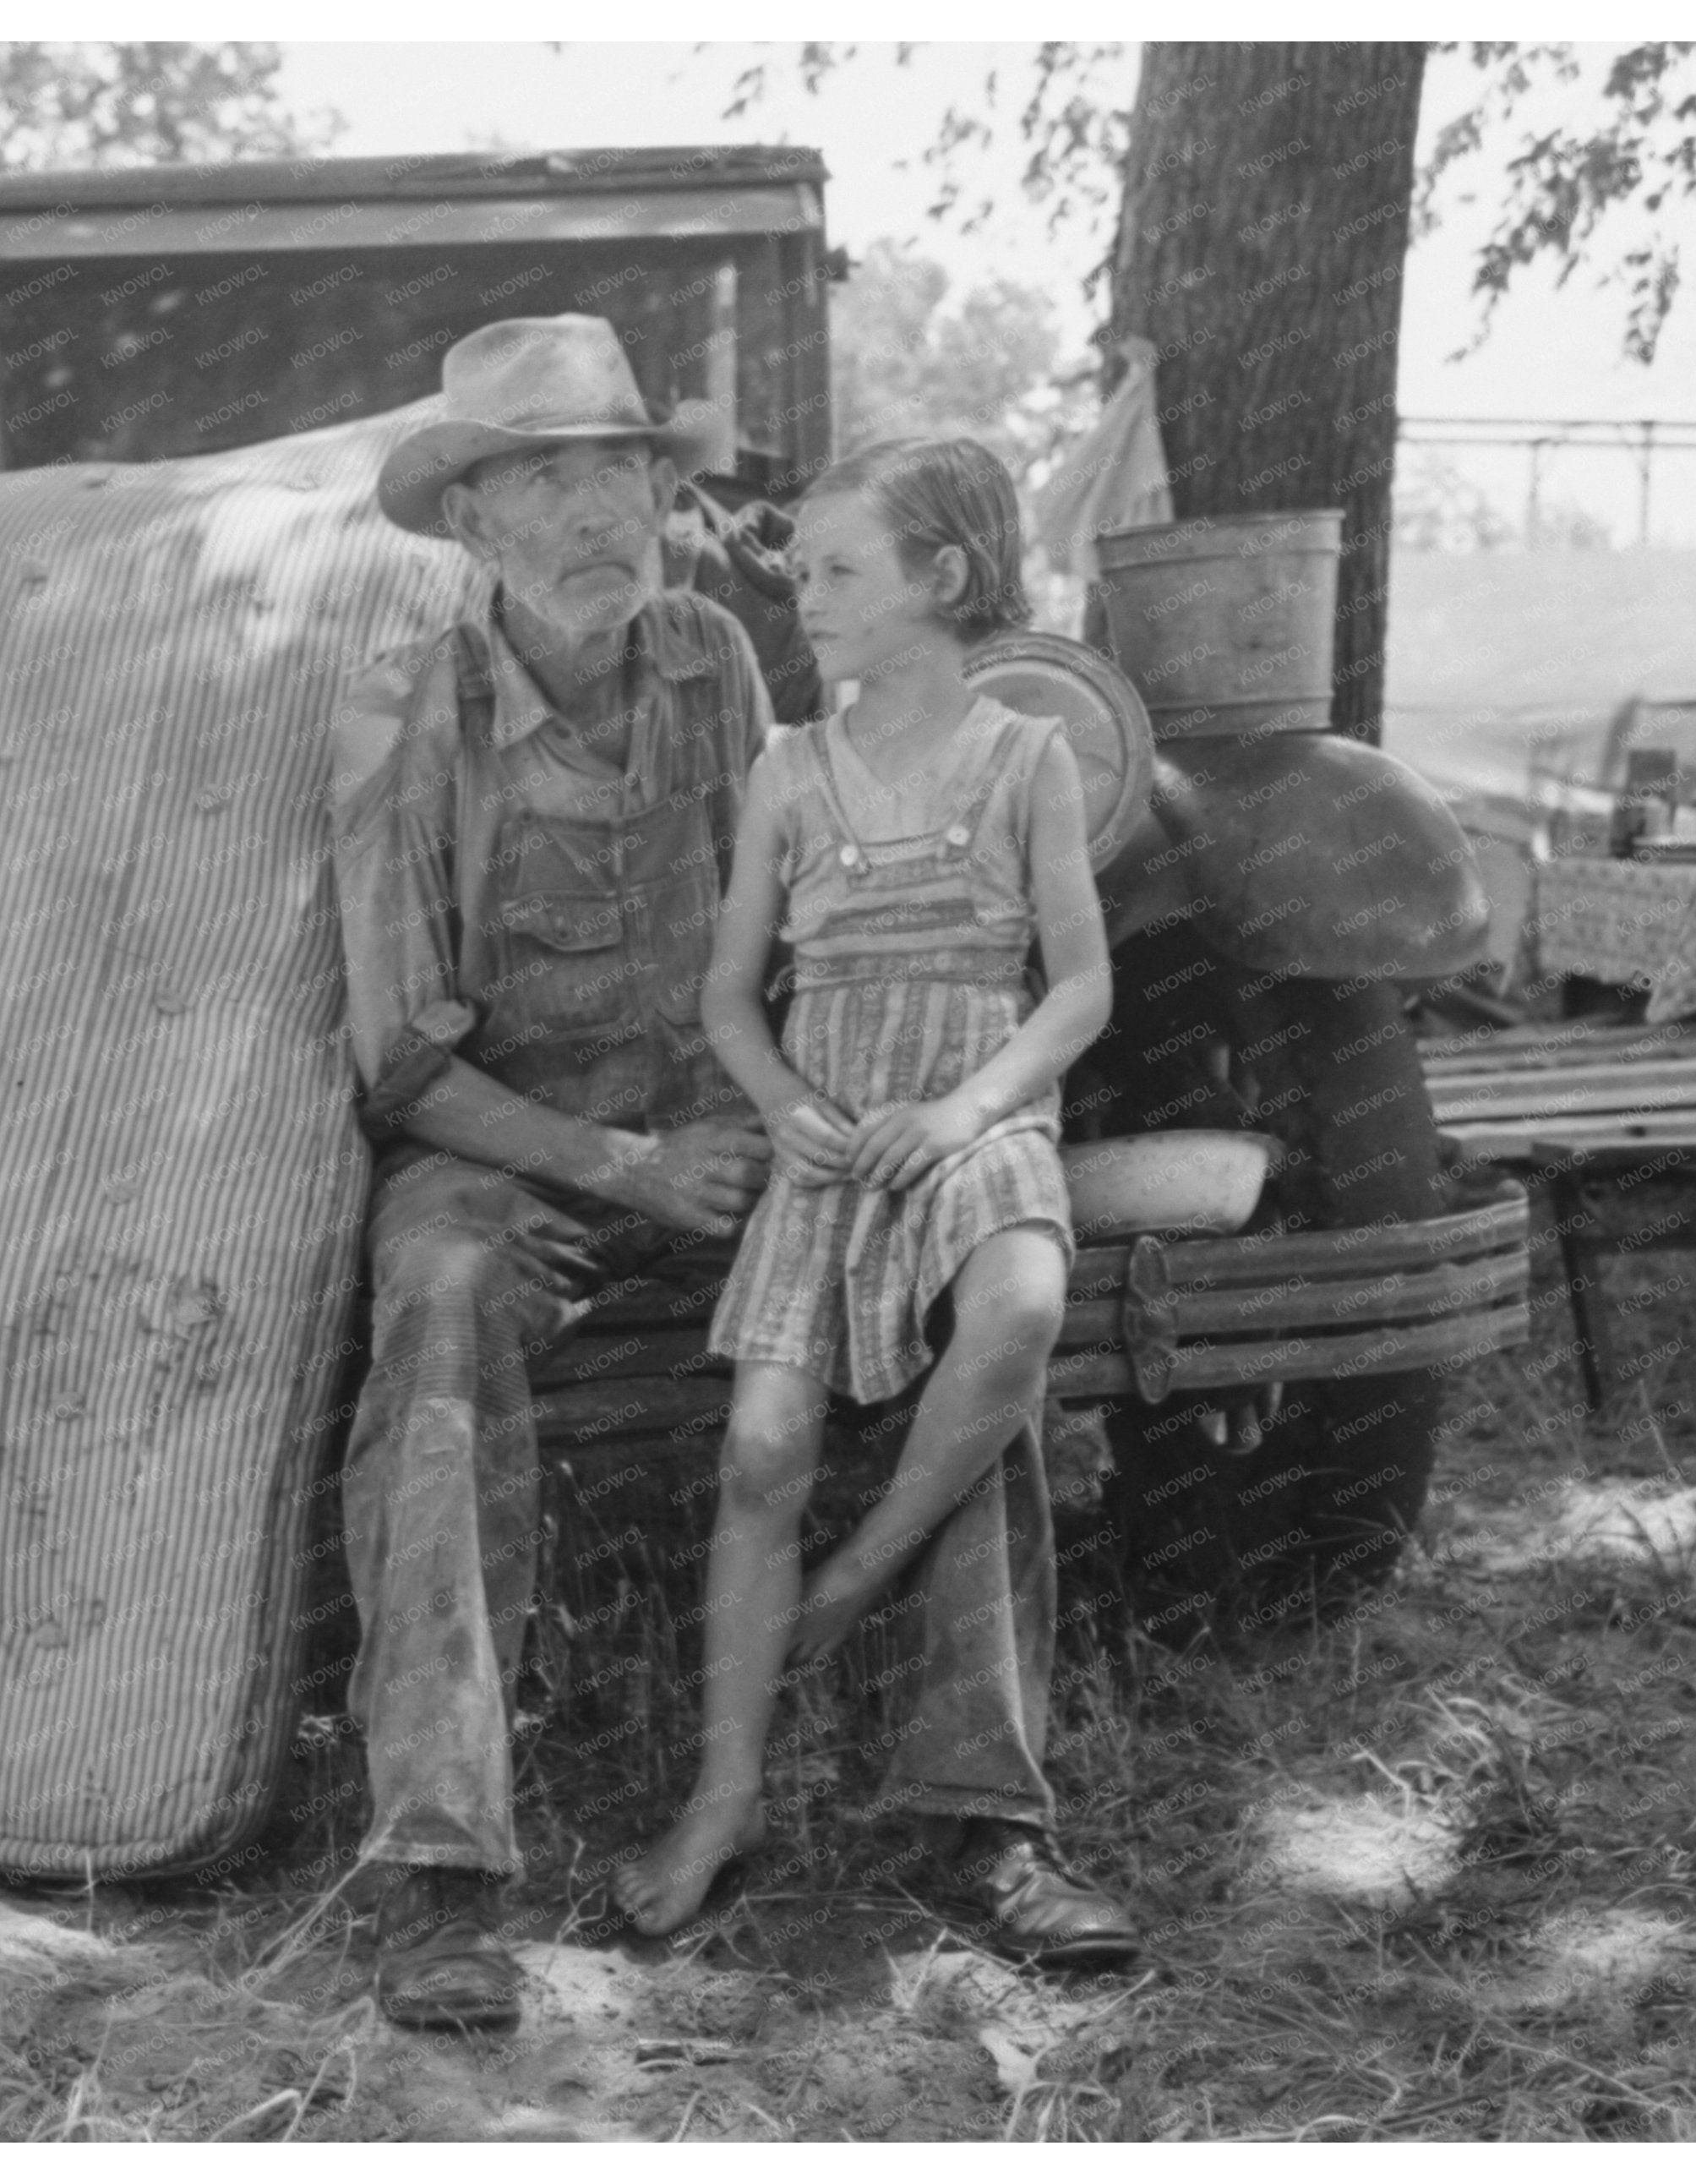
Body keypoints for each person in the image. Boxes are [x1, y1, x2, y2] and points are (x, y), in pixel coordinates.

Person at [610, 440, 1142, 1968]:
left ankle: (848, 1589)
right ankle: (724, 1793)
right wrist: (788, 1110)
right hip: (837, 1125)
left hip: (970, 1108)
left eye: (840, 571)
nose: (806, 597)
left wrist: (977, 1107)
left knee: (1021, 1306)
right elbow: (729, 999)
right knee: (762, 1443)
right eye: (801, 570)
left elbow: (1081, 983)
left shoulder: (1025, 753)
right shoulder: (789, 770)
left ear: (945, 583)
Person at [325, 315, 777, 2035]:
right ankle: (441, 1872)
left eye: (621, 475)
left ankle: (981, 1811)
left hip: (709, 1132)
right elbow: (398, 1063)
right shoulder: (405, 710)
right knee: (432, 1313)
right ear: (474, 522)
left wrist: (766, 1129)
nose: (597, 515)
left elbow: (771, 926)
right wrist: (619, 1162)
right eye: (546, 480)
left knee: (959, 1268)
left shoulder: (710, 657)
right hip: (501, 1159)